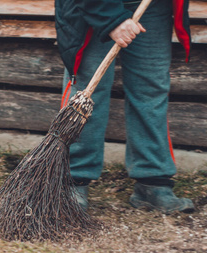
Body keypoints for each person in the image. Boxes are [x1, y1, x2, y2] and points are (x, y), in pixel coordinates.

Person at [55, 0, 195, 214]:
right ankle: (72, 180)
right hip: (92, 4)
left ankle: (152, 182)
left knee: (150, 88)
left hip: (153, 7)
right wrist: (111, 18)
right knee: (88, 89)